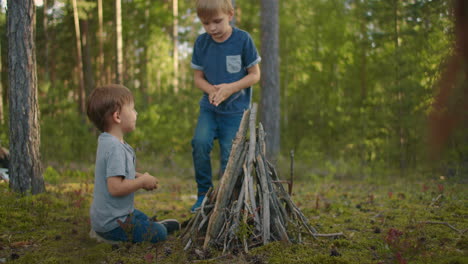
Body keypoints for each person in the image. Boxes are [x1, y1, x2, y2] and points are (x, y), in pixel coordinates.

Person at [190, 0, 261, 212]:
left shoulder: (242, 40)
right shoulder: (202, 43)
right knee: (200, 143)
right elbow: (198, 78)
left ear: (230, 14)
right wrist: (212, 90)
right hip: (210, 109)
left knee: (229, 156)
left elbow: (255, 75)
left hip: (235, 111)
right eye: (206, 23)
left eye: (217, 21)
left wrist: (230, 88)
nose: (212, 28)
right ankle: (203, 193)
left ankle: (225, 197)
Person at [86, 84, 180, 243]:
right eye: (132, 109)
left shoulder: (107, 141)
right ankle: (109, 237)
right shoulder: (115, 148)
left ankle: (149, 225)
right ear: (117, 116)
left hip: (113, 215)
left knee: (138, 215)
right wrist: (142, 181)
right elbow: (115, 188)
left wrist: (138, 176)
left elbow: (117, 172)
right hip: (112, 224)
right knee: (159, 234)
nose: (136, 113)